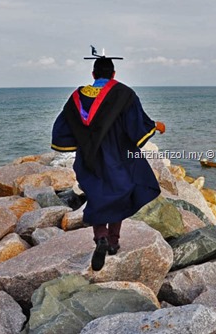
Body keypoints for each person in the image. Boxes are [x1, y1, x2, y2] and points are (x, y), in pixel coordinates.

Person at [51, 53, 165, 271]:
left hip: (90, 156)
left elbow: (62, 128)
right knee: (119, 194)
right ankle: (113, 242)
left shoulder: (77, 97)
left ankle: (100, 237)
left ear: (93, 74)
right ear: (113, 74)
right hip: (119, 155)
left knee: (98, 195)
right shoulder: (124, 93)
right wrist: (156, 126)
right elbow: (136, 126)